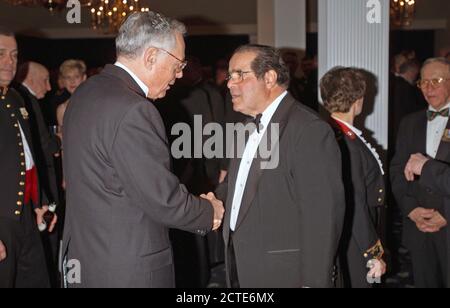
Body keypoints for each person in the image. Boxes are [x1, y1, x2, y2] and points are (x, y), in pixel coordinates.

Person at [61, 11, 224, 288]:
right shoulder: (134, 109)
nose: (181, 73)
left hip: (83, 260)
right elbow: (163, 200)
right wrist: (209, 211)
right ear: (150, 57)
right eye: (178, 63)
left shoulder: (86, 92)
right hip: (127, 270)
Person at [215, 44, 345, 288]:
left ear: (270, 78)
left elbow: (322, 217)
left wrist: (313, 283)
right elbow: (238, 186)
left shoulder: (309, 129)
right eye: (229, 76)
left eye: (238, 75)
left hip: (287, 274)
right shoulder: (245, 127)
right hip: (243, 266)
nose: (229, 83)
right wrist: (206, 204)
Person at [0, 27, 57, 288]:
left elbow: (28, 157)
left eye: (13, 55)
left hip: (25, 214)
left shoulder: (14, 97)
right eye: (0, 54)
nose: (9, 62)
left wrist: (40, 202)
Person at [321, 67, 387, 288]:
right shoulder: (346, 142)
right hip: (356, 239)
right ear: (358, 100)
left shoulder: (336, 133)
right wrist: (372, 253)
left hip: (352, 232)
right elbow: (355, 202)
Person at [391, 57, 450, 288]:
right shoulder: (409, 122)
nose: (428, 87)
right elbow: (396, 171)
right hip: (418, 227)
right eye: (423, 82)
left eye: (436, 80)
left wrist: (446, 215)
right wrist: (411, 209)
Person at [56, 59, 87, 141]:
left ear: (84, 78)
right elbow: (63, 140)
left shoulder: (95, 102)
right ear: (63, 81)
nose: (72, 81)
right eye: (68, 77)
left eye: (76, 77)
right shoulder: (62, 109)